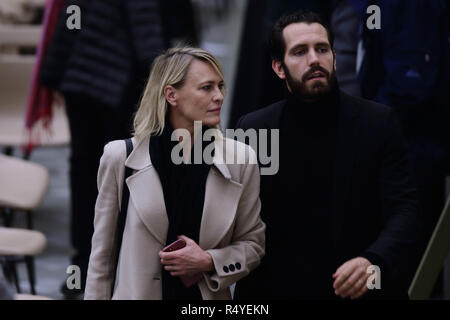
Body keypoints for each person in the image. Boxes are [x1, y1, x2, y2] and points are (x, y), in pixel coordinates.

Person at [234, 10, 421, 300]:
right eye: (299, 52)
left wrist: (372, 260)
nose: (314, 60)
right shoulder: (254, 127)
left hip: (358, 289)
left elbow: (406, 210)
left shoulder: (378, 123)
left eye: (322, 49)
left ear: (334, 57)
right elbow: (236, 217)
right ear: (279, 68)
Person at [38, 0, 197, 298]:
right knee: (123, 179)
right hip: (120, 82)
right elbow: (146, 26)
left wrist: (55, 69)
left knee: (86, 175)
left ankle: (83, 270)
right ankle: (108, 274)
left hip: (81, 76)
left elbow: (70, 18)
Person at [84, 47, 265, 300]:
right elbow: (101, 259)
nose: (219, 96)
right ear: (171, 95)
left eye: (220, 86)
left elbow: (253, 245)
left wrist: (209, 261)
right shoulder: (120, 157)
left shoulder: (241, 159)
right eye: (206, 87)